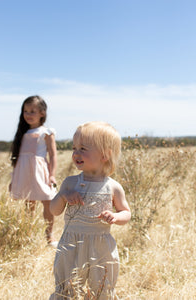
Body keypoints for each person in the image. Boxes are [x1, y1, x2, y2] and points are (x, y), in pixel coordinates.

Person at [49, 121, 131, 299]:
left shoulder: (113, 187)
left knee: (101, 286)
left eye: (83, 148)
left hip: (100, 245)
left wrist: (115, 216)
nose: (76, 153)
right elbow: (54, 210)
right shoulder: (70, 183)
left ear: (105, 155)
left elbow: (126, 213)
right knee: (67, 285)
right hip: (71, 244)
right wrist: (63, 196)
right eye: (74, 148)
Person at [10, 95, 57, 246]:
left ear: (42, 113)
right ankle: (27, 234)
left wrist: (52, 175)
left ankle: (49, 236)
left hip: (40, 171)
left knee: (47, 201)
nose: (28, 115)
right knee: (28, 204)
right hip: (23, 172)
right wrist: (13, 180)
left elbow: (53, 154)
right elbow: (18, 159)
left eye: (32, 111)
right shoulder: (22, 133)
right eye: (25, 111)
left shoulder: (46, 132)